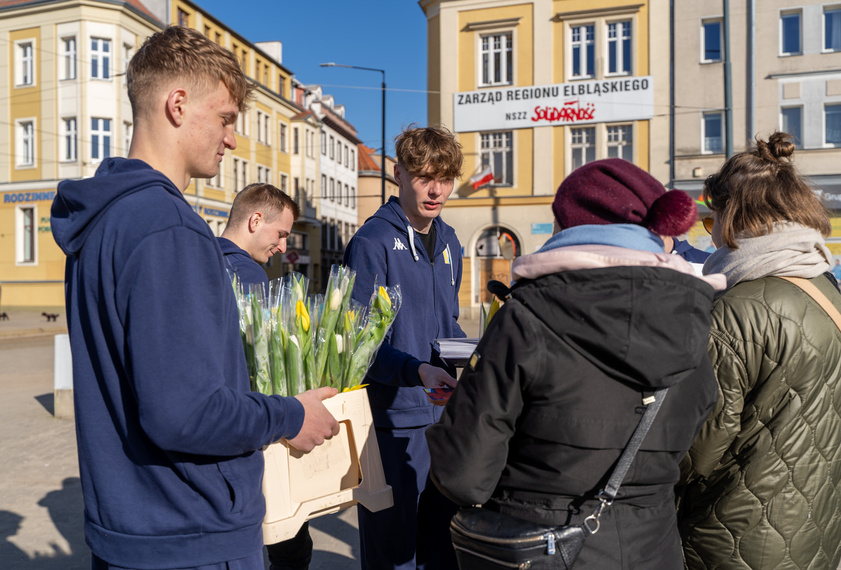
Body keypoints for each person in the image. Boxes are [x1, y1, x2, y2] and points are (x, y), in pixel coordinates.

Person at [50, 26, 339, 570]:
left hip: (135, 528)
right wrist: (288, 415)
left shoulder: (105, 219)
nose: (232, 139)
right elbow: (184, 412)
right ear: (177, 105)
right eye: (226, 118)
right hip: (191, 535)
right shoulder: (166, 227)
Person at [426, 158, 725, 569]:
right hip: (653, 549)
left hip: (543, 549)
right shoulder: (693, 321)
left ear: (568, 226)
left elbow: (463, 474)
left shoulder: (526, 315)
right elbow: (701, 451)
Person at [677, 132, 841, 569]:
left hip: (734, 537)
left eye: (710, 219)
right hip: (813, 527)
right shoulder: (823, 289)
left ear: (736, 216)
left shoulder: (738, 311)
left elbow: (695, 452)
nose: (711, 234)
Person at [342, 124, 466, 569]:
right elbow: (356, 345)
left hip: (444, 419)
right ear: (399, 174)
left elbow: (447, 324)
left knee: (441, 550)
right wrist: (415, 370)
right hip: (392, 424)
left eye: (445, 179)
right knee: (394, 555)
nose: (436, 190)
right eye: (423, 177)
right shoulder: (372, 242)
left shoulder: (451, 241)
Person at [217, 183, 313, 570]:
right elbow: (267, 368)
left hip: (218, 430)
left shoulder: (199, 262)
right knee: (290, 549)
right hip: (257, 429)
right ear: (256, 220)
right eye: (281, 234)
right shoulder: (250, 276)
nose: (280, 245)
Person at [219, 182, 298, 292]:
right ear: (255, 222)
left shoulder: (197, 254)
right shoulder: (247, 271)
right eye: (280, 235)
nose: (283, 248)